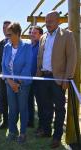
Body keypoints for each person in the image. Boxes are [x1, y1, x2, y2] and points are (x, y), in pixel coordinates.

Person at [36, 11, 77, 149]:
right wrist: (38, 75)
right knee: (46, 107)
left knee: (59, 109)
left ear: (58, 21)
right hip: (44, 77)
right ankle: (47, 131)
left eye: (50, 21)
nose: (47, 24)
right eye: (46, 21)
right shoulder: (43, 37)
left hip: (59, 78)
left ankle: (57, 137)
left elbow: (72, 58)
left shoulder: (67, 35)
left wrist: (67, 78)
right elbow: (40, 58)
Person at [2, 22, 32, 143]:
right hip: (10, 83)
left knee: (23, 108)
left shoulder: (27, 47)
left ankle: (23, 132)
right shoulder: (6, 47)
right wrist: (10, 81)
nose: (7, 36)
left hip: (23, 84)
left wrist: (18, 83)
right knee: (12, 108)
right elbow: (3, 65)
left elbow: (28, 66)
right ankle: (12, 131)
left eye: (10, 34)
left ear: (18, 34)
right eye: (7, 34)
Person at [27, 26, 43, 128]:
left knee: (41, 102)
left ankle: (42, 125)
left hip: (39, 79)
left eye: (35, 33)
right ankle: (30, 121)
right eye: (31, 32)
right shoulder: (29, 46)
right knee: (29, 101)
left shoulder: (42, 46)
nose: (32, 34)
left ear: (40, 34)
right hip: (29, 78)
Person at [0, 20, 11, 129]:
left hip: (14, 77)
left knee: (14, 101)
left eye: (7, 27)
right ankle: (5, 122)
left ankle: (13, 123)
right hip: (2, 77)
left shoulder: (16, 41)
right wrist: (0, 72)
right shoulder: (1, 43)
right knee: (3, 99)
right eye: (3, 27)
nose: (5, 29)